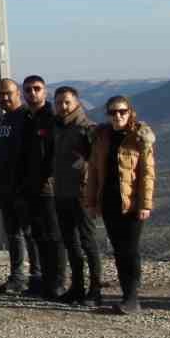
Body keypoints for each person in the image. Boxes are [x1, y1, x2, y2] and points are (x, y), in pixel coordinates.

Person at [84, 95, 155, 315]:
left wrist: (145, 204)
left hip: (132, 203)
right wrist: (91, 201)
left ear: (130, 112)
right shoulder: (102, 137)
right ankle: (126, 296)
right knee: (118, 250)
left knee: (130, 250)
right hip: (109, 202)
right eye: (113, 112)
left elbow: (147, 174)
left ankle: (132, 298)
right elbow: (94, 171)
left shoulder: (140, 137)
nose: (118, 116)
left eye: (122, 111)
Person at [51, 87, 101, 306]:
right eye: (59, 102)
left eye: (67, 102)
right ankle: (77, 287)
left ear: (77, 103)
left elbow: (96, 162)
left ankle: (95, 290)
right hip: (61, 192)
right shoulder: (58, 128)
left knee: (88, 242)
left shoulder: (86, 129)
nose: (63, 106)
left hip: (81, 194)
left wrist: (89, 188)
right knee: (70, 242)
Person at [0, 79, 36, 295]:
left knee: (29, 233)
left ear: (17, 93)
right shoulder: (5, 119)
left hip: (22, 188)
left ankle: (37, 276)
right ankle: (17, 277)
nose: (4, 98)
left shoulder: (26, 118)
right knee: (13, 234)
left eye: (8, 93)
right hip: (4, 187)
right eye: (0, 94)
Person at [19, 74, 63, 300]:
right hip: (28, 187)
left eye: (36, 89)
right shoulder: (25, 118)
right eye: (28, 89)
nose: (32, 93)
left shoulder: (52, 117)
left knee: (53, 236)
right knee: (38, 235)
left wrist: (49, 177)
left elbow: (55, 154)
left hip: (48, 188)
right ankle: (44, 280)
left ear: (44, 91)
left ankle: (57, 282)